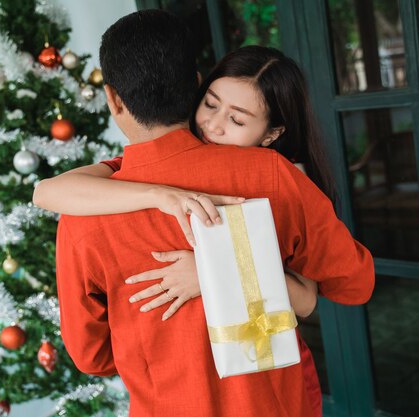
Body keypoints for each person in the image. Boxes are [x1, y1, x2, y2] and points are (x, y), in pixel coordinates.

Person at [54, 10, 374, 417]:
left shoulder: (84, 208)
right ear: (196, 85)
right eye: (213, 106)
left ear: (113, 99)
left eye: (238, 119)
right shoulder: (271, 175)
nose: (219, 125)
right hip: (273, 403)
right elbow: (354, 284)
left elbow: (92, 358)